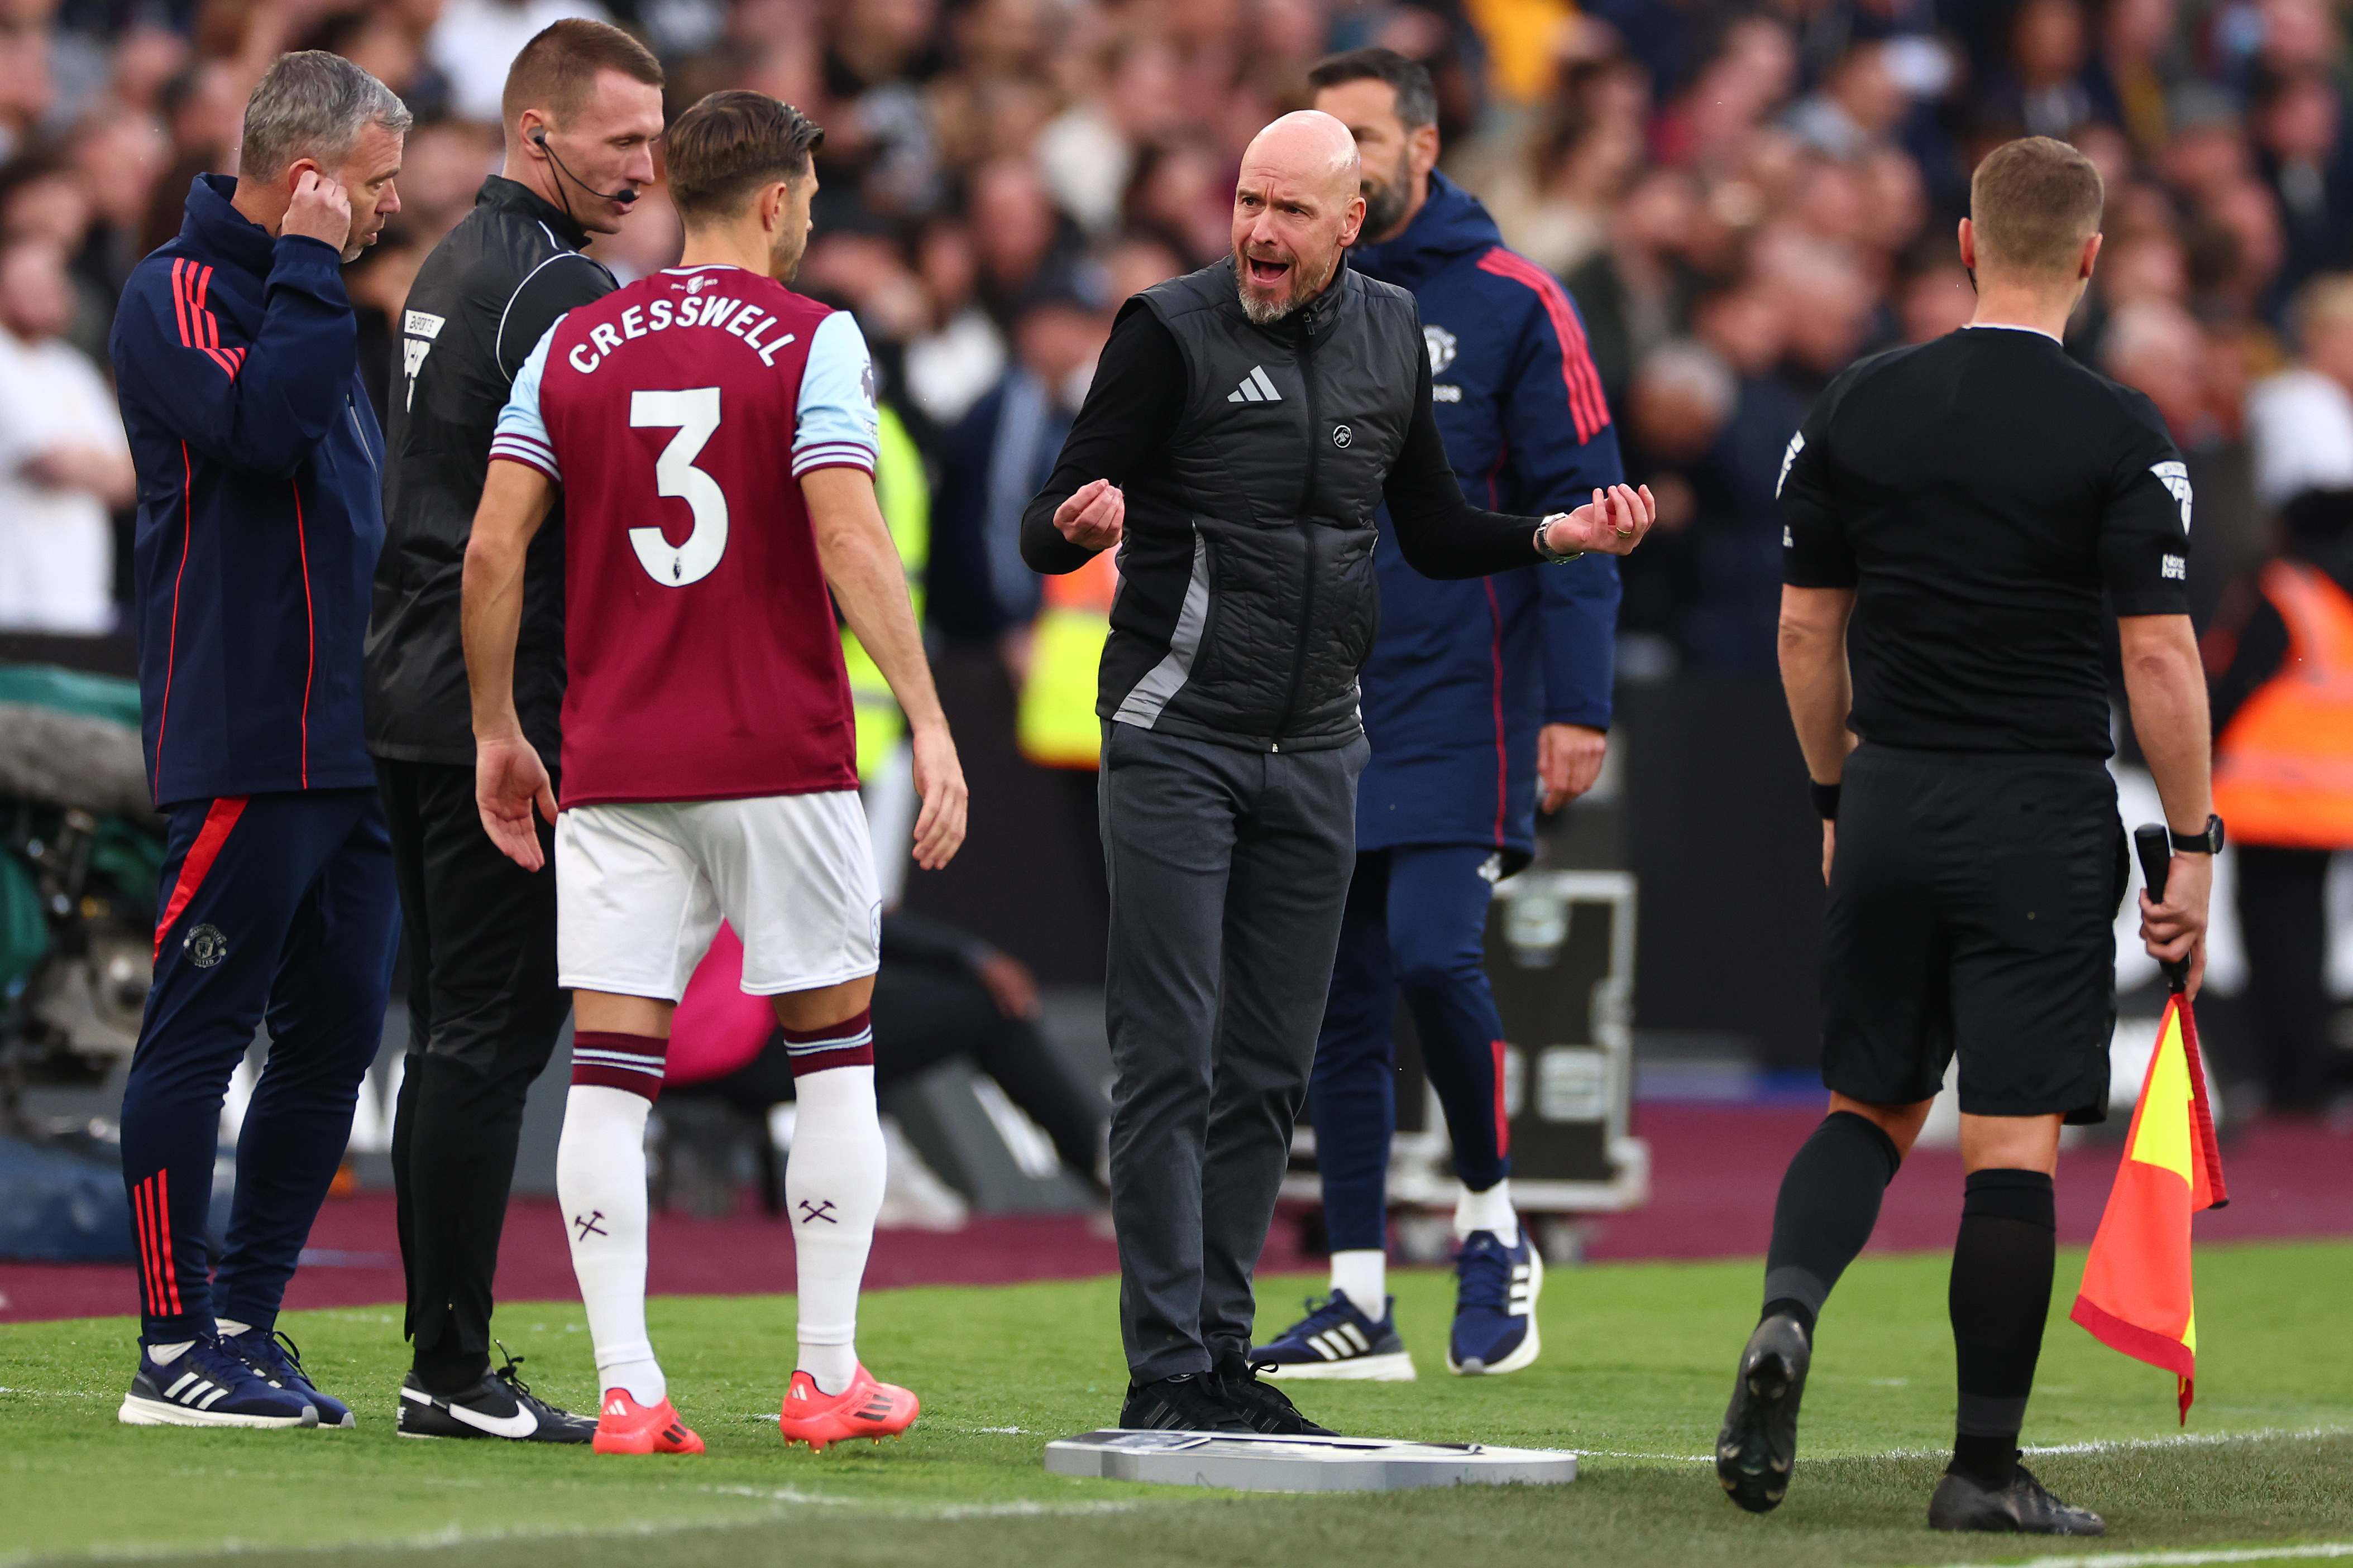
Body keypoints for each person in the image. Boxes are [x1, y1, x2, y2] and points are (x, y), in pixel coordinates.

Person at [1020, 108, 1656, 1436]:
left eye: (1291, 210)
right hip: (1177, 732)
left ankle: (1221, 1351)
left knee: (1267, 1065)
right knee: (1169, 1053)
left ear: (1351, 221)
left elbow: (1425, 528)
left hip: (1320, 745)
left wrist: (1551, 535)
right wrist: (1066, 525)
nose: (1258, 229)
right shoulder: (1167, 328)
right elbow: (1049, 513)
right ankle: (1165, 1367)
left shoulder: (1380, 338)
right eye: (1247, 200)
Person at [463, 89, 968, 1457]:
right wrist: (926, 717)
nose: (811, 216)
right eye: (806, 194)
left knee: (610, 1078)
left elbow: (494, 551)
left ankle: (627, 1387)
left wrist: (499, 724)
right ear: (771, 198)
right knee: (835, 1061)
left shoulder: (571, 343)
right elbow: (854, 541)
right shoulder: (814, 339)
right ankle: (826, 1374)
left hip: (618, 760)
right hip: (777, 754)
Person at [1721, 137, 2216, 1535]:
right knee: (2006, 1145)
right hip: (2038, 810)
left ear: (1963, 245)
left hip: (1888, 793)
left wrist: (1832, 795)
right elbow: (2163, 661)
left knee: (1867, 1105)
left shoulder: (1858, 402)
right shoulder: (2120, 431)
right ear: (2094, 260)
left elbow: (1806, 626)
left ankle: (1786, 1314)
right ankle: (1983, 1469)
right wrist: (2193, 843)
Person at [1249, 48, 1625, 1385]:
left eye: (1359, 137)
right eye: (1315, 140)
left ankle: (1491, 1221)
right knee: (1336, 1003)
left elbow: (1584, 503)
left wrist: (1579, 706)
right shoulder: (1283, 294)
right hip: (1313, 702)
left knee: (1428, 958)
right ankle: (1357, 1295)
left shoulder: (1519, 300)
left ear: (1423, 142)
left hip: (1464, 700)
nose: (1333, 166)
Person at [362, 17, 666, 1447]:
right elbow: (564, 520)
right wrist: (518, 716)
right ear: (539, 134)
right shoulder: (554, 286)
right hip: (503, 711)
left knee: (451, 1039)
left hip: (407, 683)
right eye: (622, 141)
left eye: (655, 141)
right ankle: (452, 1367)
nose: (646, 166)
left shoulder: (449, 262)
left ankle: (443, 1350)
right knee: (488, 1040)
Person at [107, 51, 409, 1430]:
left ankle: (246, 1321)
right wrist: (305, 263)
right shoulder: (174, 293)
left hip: (342, 745)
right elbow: (266, 432)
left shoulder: (314, 299)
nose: (389, 209)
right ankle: (173, 1349)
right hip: (241, 731)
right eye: (375, 185)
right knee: (199, 1029)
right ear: (309, 182)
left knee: (335, 1032)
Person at [2207, 486, 2353, 1118]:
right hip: (2328, 800)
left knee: (2274, 942)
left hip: (2269, 800)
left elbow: (2232, 681)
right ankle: (2305, 1077)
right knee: (2309, 939)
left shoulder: (2284, 589)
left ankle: (2284, 1083)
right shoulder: (2335, 599)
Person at [0, 236, 133, 633]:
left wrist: (82, 462)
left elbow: (129, 477)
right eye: (30, 283)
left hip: (82, 605)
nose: (47, 294)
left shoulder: (72, 367)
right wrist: (93, 463)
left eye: (53, 282)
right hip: (15, 603)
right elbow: (50, 462)